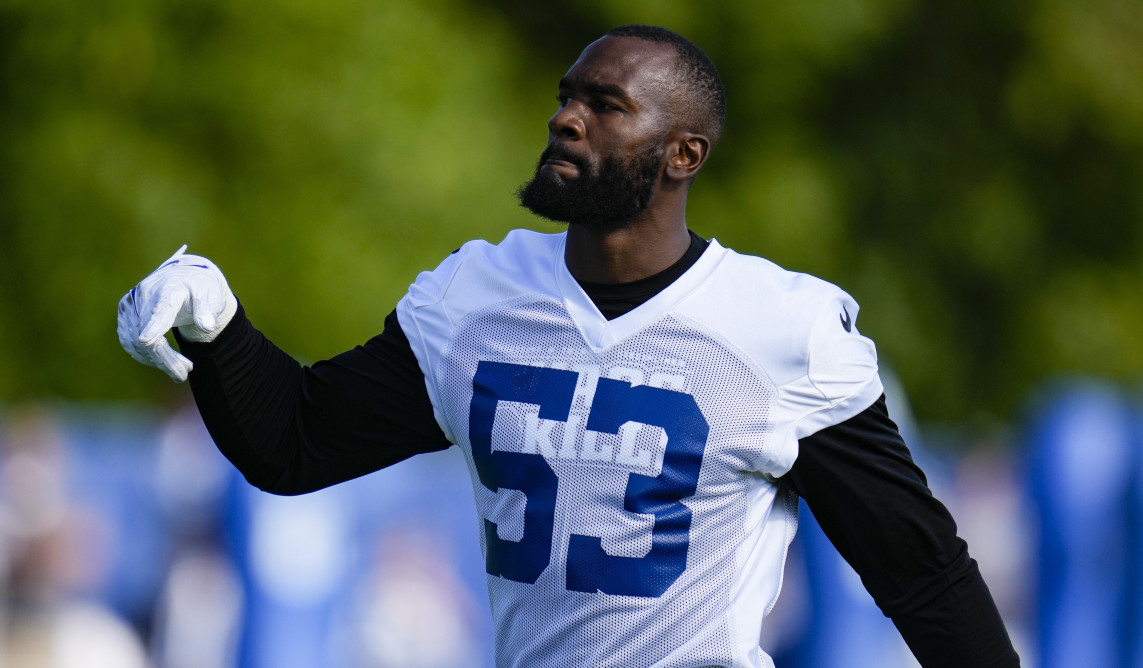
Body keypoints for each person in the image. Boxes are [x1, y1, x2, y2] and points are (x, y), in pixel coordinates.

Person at [117, 24, 1020, 668]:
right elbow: (293, 444)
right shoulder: (477, 297)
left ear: (683, 155)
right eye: (565, 97)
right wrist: (219, 324)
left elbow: (921, 570)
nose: (566, 119)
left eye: (605, 104)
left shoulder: (778, 330)